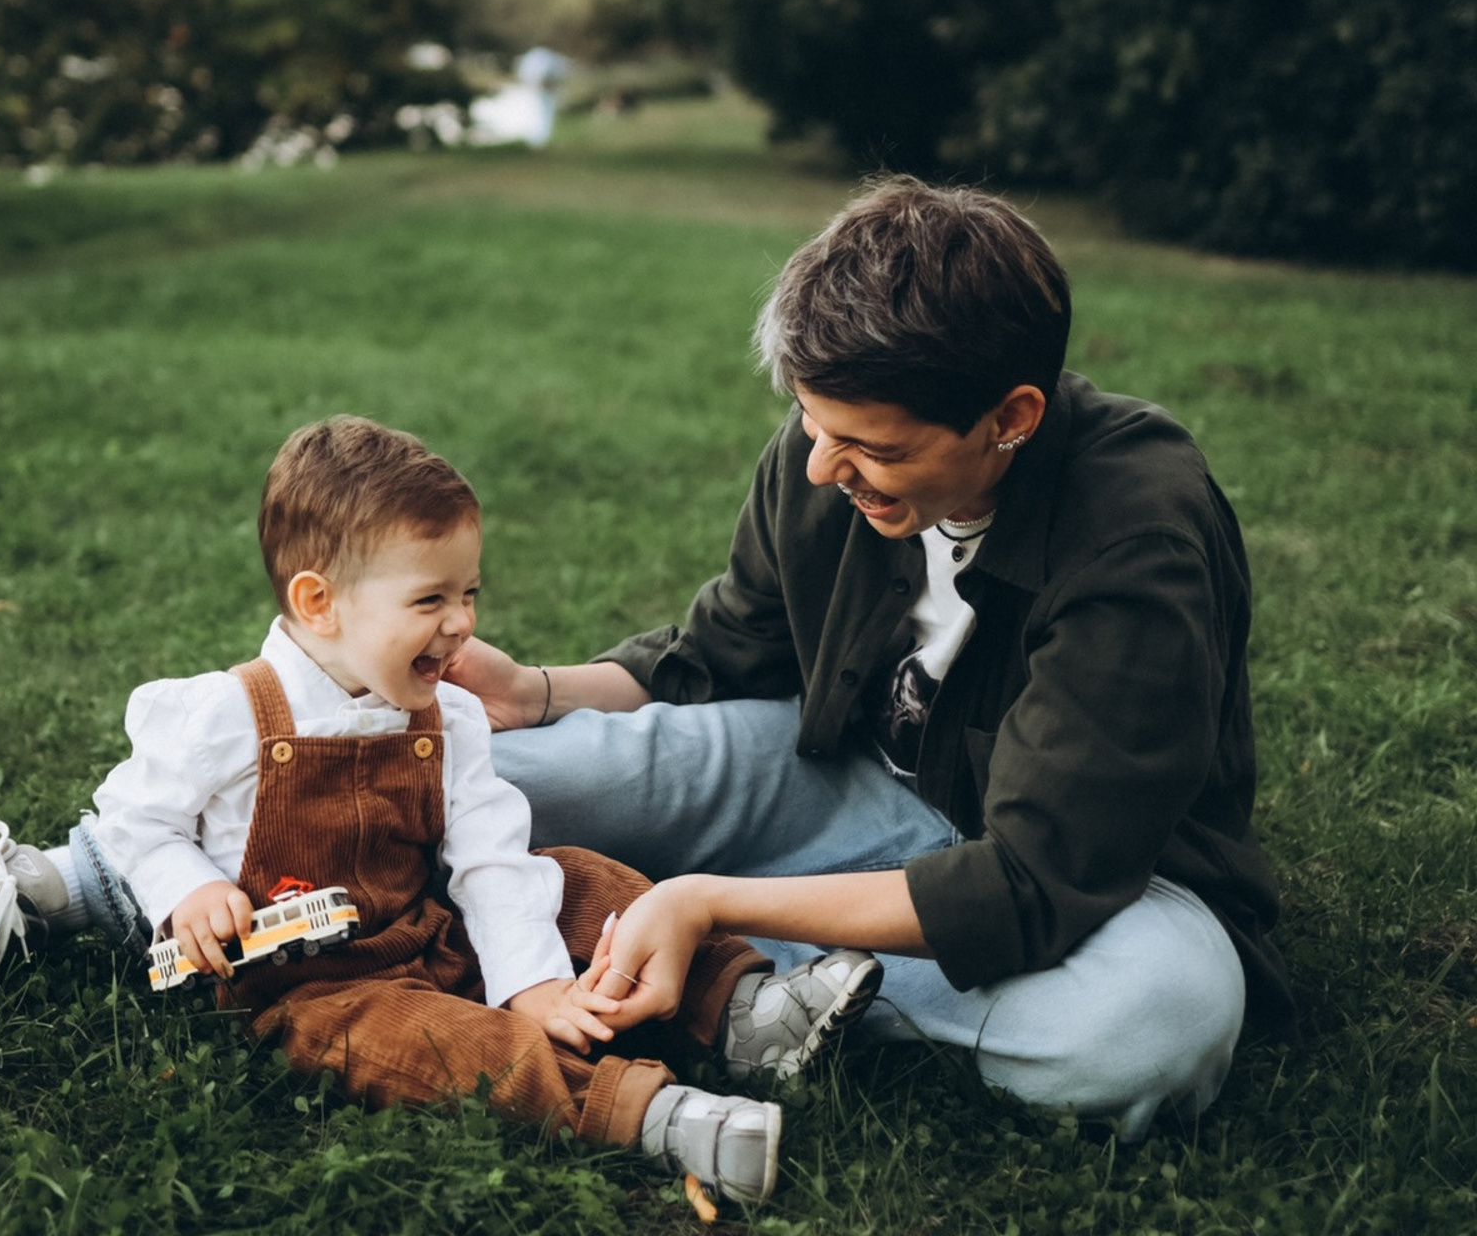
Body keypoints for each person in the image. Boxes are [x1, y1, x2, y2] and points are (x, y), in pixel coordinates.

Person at [0, 417, 884, 1207]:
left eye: (470, 593)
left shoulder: (447, 719)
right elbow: (132, 820)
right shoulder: (228, 715)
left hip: (436, 928)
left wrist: (532, 978)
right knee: (438, 1045)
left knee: (583, 879)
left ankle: (746, 1013)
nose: (462, 625)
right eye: (430, 600)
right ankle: (651, 1116)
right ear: (318, 602)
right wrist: (191, 890)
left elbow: (495, 862)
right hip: (315, 985)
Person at [454, 176, 1293, 1141]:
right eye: (816, 426)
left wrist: (706, 898)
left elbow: (1032, 883)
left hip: (1097, 895)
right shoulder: (829, 450)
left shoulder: (1138, 538)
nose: (822, 467)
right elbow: (728, 651)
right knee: (471, 781)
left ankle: (703, 968)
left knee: (1152, 1028)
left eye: (868, 447)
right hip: (849, 793)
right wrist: (539, 691)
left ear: (1010, 418)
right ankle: (690, 953)